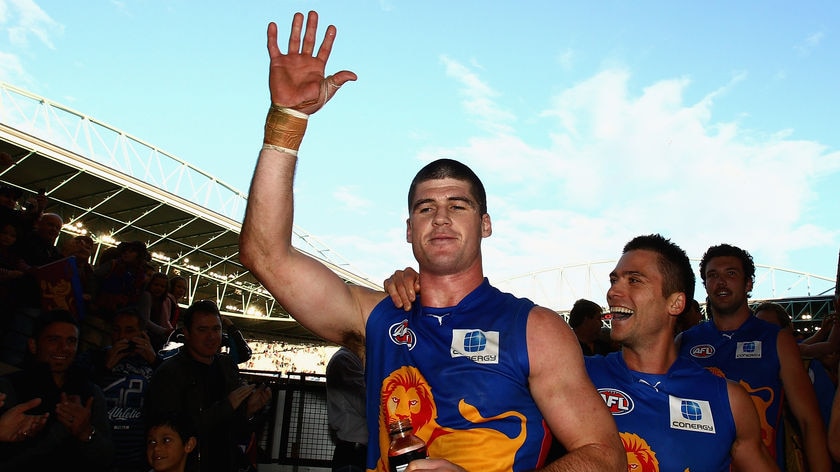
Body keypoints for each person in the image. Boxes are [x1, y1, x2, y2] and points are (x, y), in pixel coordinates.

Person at [238, 11, 624, 471]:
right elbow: (265, 255)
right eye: (425, 208)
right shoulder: (377, 317)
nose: (440, 217)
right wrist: (287, 121)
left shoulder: (535, 330)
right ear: (408, 230)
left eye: (458, 206)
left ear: (485, 224)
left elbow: (604, 458)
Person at [386, 234, 779, 470]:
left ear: (676, 303)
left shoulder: (727, 400)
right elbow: (453, 379)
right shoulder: (573, 376)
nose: (613, 291)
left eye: (634, 280)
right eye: (614, 279)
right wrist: (427, 297)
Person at [678, 244, 830, 471]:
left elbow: (809, 422)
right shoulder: (684, 341)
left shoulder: (777, 340)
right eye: (713, 275)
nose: (721, 282)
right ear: (705, 285)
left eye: (731, 273)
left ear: (748, 283)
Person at [145, 299, 272, 472]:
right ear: (187, 333)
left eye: (216, 329)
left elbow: (234, 430)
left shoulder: (226, 366)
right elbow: (170, 434)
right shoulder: (169, 374)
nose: (211, 337)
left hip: (226, 462)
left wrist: (248, 410)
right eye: (202, 330)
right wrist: (226, 406)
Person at [0, 310, 115, 470]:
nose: (64, 348)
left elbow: (107, 458)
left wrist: (86, 433)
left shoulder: (90, 392)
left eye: (71, 341)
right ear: (33, 345)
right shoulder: (9, 387)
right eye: (53, 340)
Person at [79, 307, 159, 472]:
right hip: (100, 452)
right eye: (117, 330)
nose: (122, 337)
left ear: (142, 333)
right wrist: (104, 367)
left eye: (129, 331)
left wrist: (155, 362)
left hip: (138, 458)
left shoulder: (156, 363)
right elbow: (79, 393)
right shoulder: (93, 358)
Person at [326, 347, 367, 472]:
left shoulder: (350, 359)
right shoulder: (345, 360)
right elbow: (365, 403)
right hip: (354, 453)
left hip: (357, 451)